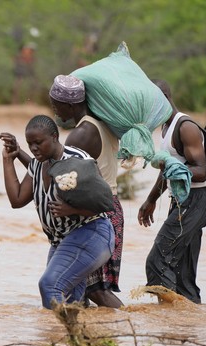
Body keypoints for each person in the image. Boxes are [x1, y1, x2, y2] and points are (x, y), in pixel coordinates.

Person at [0, 115, 115, 309]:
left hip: (91, 233)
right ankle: (73, 338)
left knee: (50, 286)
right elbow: (17, 199)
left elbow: (105, 202)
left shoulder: (78, 160)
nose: (34, 148)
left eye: (38, 142)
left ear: (54, 137)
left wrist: (73, 209)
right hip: (61, 240)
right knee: (72, 303)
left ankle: (61, 333)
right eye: (30, 144)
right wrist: (9, 160)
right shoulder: (37, 163)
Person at [48, 75, 124, 308]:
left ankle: (128, 328)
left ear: (71, 105)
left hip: (96, 213)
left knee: (96, 291)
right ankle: (86, 340)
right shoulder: (101, 124)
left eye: (56, 104)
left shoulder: (82, 134)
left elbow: (63, 176)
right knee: (77, 290)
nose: (54, 109)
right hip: (107, 208)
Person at [138, 79, 206, 304]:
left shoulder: (185, 127)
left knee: (157, 261)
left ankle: (168, 315)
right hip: (182, 202)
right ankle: (181, 328)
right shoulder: (166, 128)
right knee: (183, 274)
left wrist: (173, 168)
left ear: (161, 100)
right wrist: (151, 199)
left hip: (196, 200)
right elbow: (169, 169)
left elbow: (201, 170)